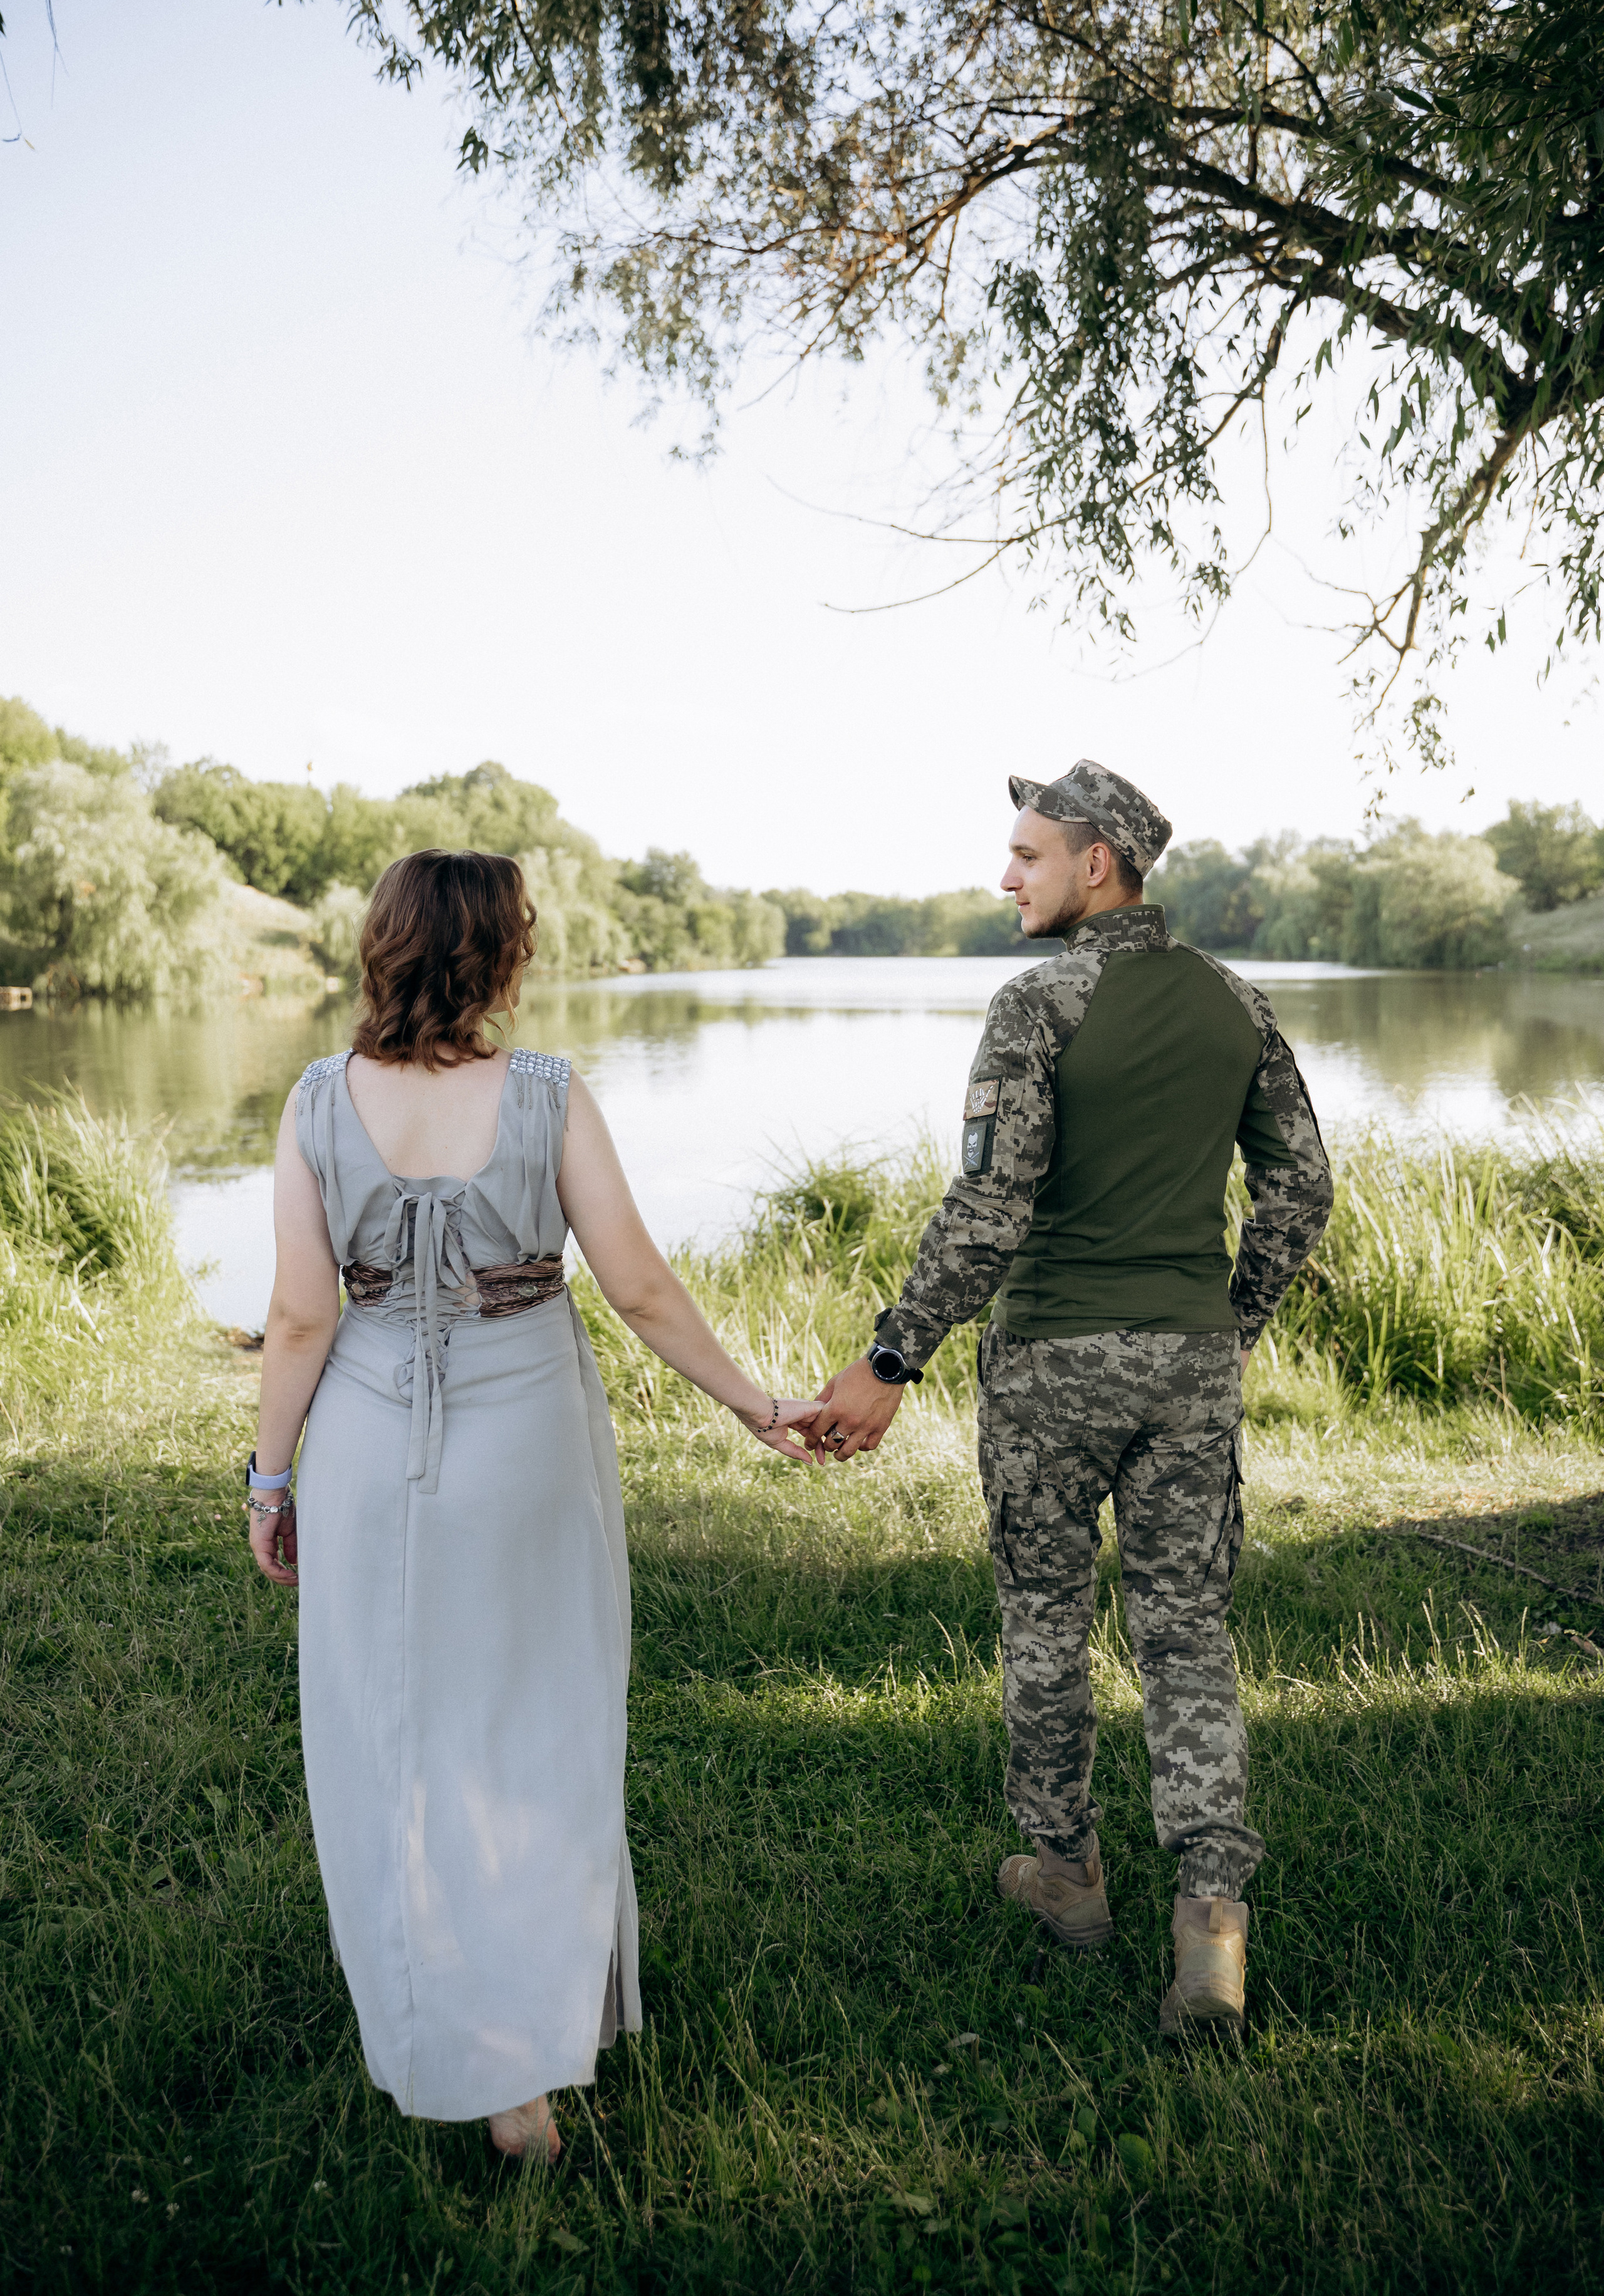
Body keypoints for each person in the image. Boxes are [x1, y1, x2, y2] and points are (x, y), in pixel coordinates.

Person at [247, 850, 820, 2158]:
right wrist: (749, 1400)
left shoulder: (316, 1101)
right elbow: (643, 1291)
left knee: (394, 1737)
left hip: (367, 1444)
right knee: (536, 1725)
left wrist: (270, 1478)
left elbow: (298, 1315)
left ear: (382, 949)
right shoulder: (550, 1094)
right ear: (501, 955)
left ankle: (458, 2036)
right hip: (527, 1444)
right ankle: (529, 2060)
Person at [808, 762, 1333, 2038]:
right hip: (1187, 1363)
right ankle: (1210, 1922)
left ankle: (1066, 1877)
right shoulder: (1237, 1003)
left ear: (1095, 862)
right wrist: (1226, 1320)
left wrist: (886, 1362)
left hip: (1050, 1365)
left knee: (1045, 1621)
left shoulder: (1038, 1004)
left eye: (1026, 854)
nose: (1006, 877)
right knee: (1185, 1635)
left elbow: (989, 1213)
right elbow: (1300, 1191)